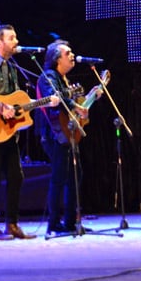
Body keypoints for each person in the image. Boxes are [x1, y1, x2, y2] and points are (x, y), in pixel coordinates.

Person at [0, 23, 56, 241]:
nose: (16, 42)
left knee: (16, 177)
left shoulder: (11, 66)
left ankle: (12, 224)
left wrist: (45, 102)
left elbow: (17, 104)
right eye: (12, 38)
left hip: (8, 132)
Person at [36, 40, 94, 236]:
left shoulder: (64, 79)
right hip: (54, 134)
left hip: (67, 131)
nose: (72, 55)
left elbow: (69, 105)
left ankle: (70, 222)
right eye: (67, 53)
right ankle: (53, 224)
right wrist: (75, 105)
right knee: (60, 177)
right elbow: (55, 99)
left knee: (74, 176)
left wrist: (88, 100)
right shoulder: (48, 77)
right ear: (56, 59)